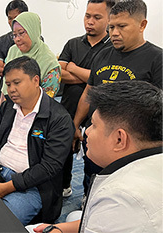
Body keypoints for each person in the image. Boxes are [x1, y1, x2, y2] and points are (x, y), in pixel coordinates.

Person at [31, 80, 162, 233]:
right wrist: (58, 229)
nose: (87, 132)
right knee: (73, 217)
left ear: (119, 139)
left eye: (93, 125)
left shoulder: (120, 198)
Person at [72, 0, 162, 197]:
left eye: (122, 26)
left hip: (130, 147)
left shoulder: (157, 59)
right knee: (93, 186)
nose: (114, 33)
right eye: (111, 26)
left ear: (142, 25)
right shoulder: (102, 55)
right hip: (97, 138)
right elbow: (89, 92)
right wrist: (76, 124)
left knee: (125, 195)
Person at [0, 56, 74, 225]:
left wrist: (9, 186)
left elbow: (49, 167)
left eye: (17, 82)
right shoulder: (8, 106)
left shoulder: (59, 118)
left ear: (36, 80)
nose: (11, 89)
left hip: (34, 187)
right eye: (8, 85)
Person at [58, 0, 115, 197]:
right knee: (63, 153)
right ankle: (64, 186)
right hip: (66, 109)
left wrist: (72, 68)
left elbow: (101, 81)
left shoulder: (112, 49)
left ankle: (87, 197)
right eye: (87, 16)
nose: (90, 21)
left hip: (96, 115)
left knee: (92, 159)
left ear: (109, 19)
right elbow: (57, 74)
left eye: (97, 17)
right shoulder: (73, 43)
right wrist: (90, 75)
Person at [0, 12, 61, 101]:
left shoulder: (49, 63)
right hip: (10, 107)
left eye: (21, 33)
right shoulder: (13, 51)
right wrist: (0, 112)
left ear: (33, 31)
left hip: (36, 111)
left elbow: (46, 101)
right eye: (14, 35)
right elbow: (4, 90)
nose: (17, 39)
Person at [0, 0, 28, 99]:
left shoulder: (37, 40)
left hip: (26, 94)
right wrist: (23, 68)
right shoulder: (2, 41)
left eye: (16, 18)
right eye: (10, 18)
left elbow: (36, 68)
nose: (13, 22)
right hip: (5, 93)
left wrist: (8, 65)